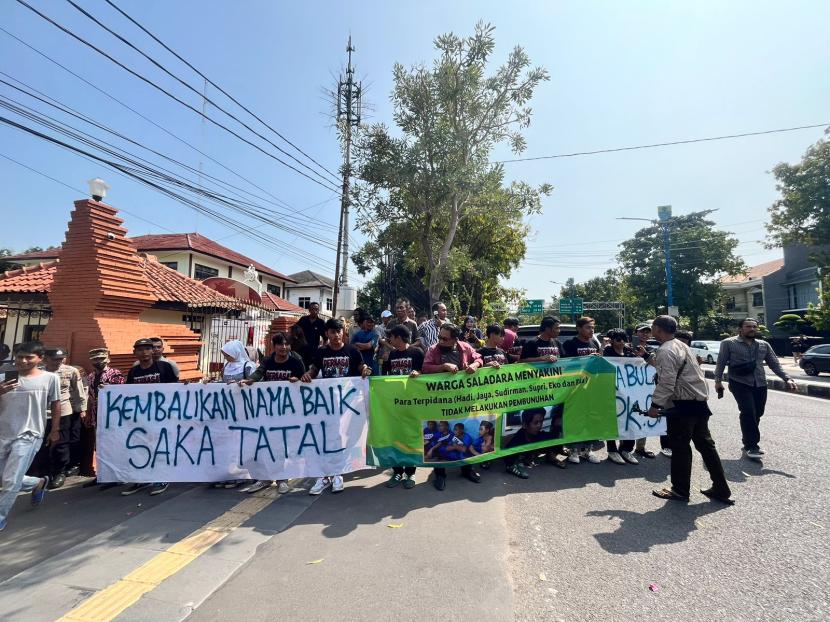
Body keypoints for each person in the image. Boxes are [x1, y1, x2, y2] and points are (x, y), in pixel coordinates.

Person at [647, 316, 733, 504]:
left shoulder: (665, 350)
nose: (651, 330)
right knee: (706, 447)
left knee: (680, 448)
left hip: (682, 405)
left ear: (658, 329)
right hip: (699, 403)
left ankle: (680, 490)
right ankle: (721, 488)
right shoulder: (681, 346)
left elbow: (667, 382)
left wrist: (655, 406)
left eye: (652, 327)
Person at [301, 318, 371, 495]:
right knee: (326, 438)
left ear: (343, 333)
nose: (336, 335)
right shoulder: (321, 352)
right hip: (326, 404)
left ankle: (338, 473)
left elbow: (361, 366)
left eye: (339, 331)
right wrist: (308, 375)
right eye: (332, 332)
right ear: (327, 334)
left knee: (342, 439)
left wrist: (365, 370)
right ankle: (324, 476)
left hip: (348, 405)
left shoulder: (352, 351)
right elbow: (314, 370)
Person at [714, 317, 796, 460]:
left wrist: (787, 378)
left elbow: (774, 363)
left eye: (754, 326)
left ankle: (748, 438)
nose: (752, 329)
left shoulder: (763, 345)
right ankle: (751, 445)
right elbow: (721, 362)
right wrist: (718, 381)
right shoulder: (728, 343)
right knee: (748, 411)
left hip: (760, 383)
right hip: (739, 382)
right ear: (741, 328)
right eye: (748, 326)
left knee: (758, 413)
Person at [0, 341, 61, 531]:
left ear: (40, 359)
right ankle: (38, 482)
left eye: (29, 357)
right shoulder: (2, 377)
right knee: (7, 479)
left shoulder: (50, 378)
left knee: (10, 481)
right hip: (3, 433)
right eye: (19, 357)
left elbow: (55, 404)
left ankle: (1, 517)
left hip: (30, 433)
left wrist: (55, 429)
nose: (23, 361)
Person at [239, 332, 305, 495]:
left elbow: (304, 378)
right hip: (268, 412)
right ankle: (265, 478)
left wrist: (298, 380)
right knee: (265, 444)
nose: (284, 347)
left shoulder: (296, 362)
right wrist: (250, 380)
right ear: (273, 346)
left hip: (288, 412)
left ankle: (282, 478)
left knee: (281, 445)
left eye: (286, 344)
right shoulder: (268, 361)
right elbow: (259, 373)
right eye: (280, 344)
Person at [422, 323, 484, 490]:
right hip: (440, 402)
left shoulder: (465, 347)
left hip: (462, 401)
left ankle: (466, 468)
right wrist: (442, 367)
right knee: (442, 436)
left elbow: (479, 358)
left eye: (445, 338)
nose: (440, 340)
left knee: (461, 433)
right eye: (439, 337)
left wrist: (475, 365)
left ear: (455, 339)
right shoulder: (433, 349)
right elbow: (425, 368)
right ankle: (440, 474)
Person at [122, 339, 178, 496]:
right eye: (140, 350)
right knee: (142, 447)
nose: (144, 352)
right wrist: (106, 390)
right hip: (142, 417)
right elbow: (127, 393)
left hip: (162, 416)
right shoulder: (134, 371)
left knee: (161, 446)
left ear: (153, 351)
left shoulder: (164, 367)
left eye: (148, 349)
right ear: (135, 353)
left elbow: (176, 389)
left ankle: (162, 478)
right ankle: (142, 478)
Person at [34, 347, 87, 489]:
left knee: (61, 444)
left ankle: (59, 472)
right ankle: (43, 472)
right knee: (40, 443)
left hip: (64, 411)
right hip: (41, 412)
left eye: (61, 359)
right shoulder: (38, 371)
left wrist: (81, 410)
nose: (59, 362)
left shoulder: (71, 371)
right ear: (45, 359)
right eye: (55, 359)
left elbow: (78, 391)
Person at [382, 324, 424, 489]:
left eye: (391, 337)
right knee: (395, 437)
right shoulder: (391, 354)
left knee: (411, 437)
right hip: (394, 404)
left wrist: (418, 374)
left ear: (398, 337)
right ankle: (397, 471)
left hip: (412, 404)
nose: (389, 339)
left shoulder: (416, 353)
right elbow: (384, 376)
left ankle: (411, 472)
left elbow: (425, 373)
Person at [81, 348, 125, 488]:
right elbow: (90, 397)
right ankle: (102, 475)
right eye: (95, 359)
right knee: (99, 446)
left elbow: (123, 393)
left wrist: (109, 389)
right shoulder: (91, 377)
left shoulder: (115, 374)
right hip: (96, 415)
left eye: (101, 359)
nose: (98, 362)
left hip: (112, 416)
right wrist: (88, 414)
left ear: (108, 359)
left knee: (113, 445)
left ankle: (116, 475)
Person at [561, 317, 602, 464]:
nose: (591, 330)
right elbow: (565, 365)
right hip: (575, 388)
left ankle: (587, 449)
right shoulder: (570, 344)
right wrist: (585, 359)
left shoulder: (593, 343)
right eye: (588, 327)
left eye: (593, 328)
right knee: (575, 419)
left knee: (590, 418)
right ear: (579, 328)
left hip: (591, 388)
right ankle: (573, 450)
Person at [601, 329, 640, 465]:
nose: (622, 342)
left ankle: (626, 449)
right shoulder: (608, 352)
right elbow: (600, 365)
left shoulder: (630, 352)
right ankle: (612, 450)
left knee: (630, 419)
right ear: (612, 340)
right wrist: (602, 347)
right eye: (618, 339)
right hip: (612, 392)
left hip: (629, 394)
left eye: (624, 339)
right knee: (612, 420)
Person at [504, 408, 547, 479]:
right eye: (535, 423)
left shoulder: (540, 435)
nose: (539, 425)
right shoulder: (516, 442)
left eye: (541, 422)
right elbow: (508, 458)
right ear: (524, 425)